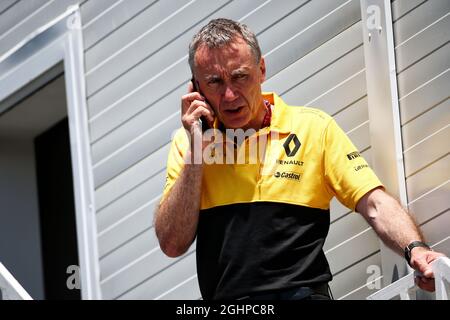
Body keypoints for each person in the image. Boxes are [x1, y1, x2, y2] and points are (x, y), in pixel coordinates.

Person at [154, 18, 445, 300]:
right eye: (215, 82)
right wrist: (196, 150)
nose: (229, 94)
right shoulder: (189, 145)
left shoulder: (313, 128)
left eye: (240, 76)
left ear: (262, 69)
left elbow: (374, 203)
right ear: (196, 89)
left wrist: (416, 248)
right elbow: (172, 243)